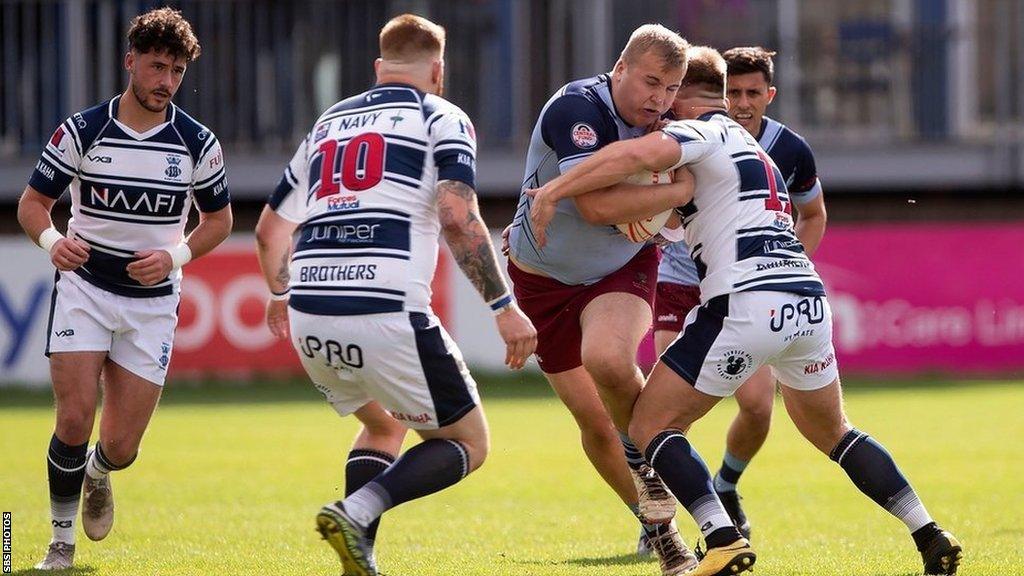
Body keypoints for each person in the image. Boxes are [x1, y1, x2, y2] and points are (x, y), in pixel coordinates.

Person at [527, 46, 962, 576]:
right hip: (806, 302)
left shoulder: (698, 131)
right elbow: (672, 219)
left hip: (744, 302)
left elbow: (633, 160)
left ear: (688, 101)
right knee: (836, 433)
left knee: (650, 425)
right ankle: (928, 530)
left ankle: (721, 536)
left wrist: (552, 192)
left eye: (670, 99)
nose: (661, 110)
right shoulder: (758, 151)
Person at [254, 14, 536, 576]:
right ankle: (356, 511)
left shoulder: (329, 122)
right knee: (469, 444)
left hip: (310, 315)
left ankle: (360, 561)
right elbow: (457, 216)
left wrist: (281, 292)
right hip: (384, 310)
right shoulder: (442, 116)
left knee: (384, 425)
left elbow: (268, 232)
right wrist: (504, 308)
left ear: (379, 68)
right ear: (438, 70)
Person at [16, 7, 232, 570]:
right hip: (84, 288)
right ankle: (59, 544)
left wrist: (174, 256)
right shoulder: (83, 129)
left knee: (122, 447)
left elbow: (219, 221)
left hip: (153, 304)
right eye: (158, 67)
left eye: (177, 72)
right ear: (130, 62)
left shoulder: (196, 142)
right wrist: (52, 243)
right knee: (73, 418)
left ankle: (99, 473)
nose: (166, 82)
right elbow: (32, 204)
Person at [505, 24, 698, 574]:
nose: (660, 99)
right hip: (540, 282)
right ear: (620, 69)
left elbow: (676, 189)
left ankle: (663, 489)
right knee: (594, 424)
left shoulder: (671, 126)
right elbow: (594, 207)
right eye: (651, 82)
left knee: (610, 360)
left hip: (621, 266)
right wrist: (674, 192)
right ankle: (654, 520)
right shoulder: (577, 108)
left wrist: (676, 196)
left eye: (671, 87)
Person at [653, 46, 828, 539]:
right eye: (733, 91)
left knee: (756, 405)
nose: (741, 102)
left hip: (747, 286)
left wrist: (784, 267)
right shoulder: (687, 132)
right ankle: (662, 520)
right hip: (682, 277)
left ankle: (725, 486)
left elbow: (813, 214)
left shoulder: (790, 150)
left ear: (770, 96)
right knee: (667, 407)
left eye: (753, 93)